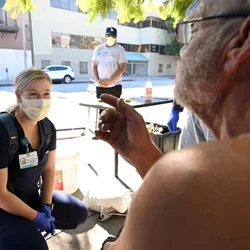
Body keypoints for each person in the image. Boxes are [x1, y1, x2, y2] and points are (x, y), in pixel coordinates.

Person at [96, 0, 250, 249]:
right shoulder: (200, 118)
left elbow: (180, 200)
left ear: (242, 43)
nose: (182, 51)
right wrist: (141, 151)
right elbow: (194, 203)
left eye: (194, 31)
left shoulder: (182, 181)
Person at [0, 68, 88, 250]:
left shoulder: (47, 128)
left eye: (46, 93)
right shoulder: (3, 131)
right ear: (18, 95)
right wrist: (35, 217)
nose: (41, 100)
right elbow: (1, 195)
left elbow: (49, 169)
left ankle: (21, 231)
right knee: (35, 246)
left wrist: (46, 206)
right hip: (3, 207)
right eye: (33, 94)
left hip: (31, 197)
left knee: (78, 212)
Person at [91, 27, 127, 99]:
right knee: (102, 109)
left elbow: (122, 67)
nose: (111, 37)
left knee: (114, 109)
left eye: (113, 35)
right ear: (105, 35)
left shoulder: (120, 49)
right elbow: (94, 66)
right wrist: (97, 80)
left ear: (116, 37)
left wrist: (110, 81)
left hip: (115, 86)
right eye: (108, 35)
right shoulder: (98, 48)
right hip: (100, 86)